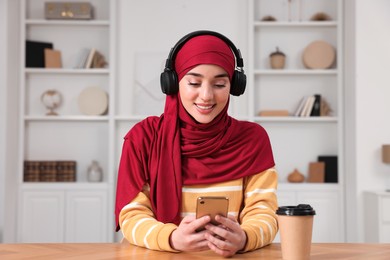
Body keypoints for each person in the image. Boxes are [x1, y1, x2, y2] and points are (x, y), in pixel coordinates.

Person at [115, 30, 278, 257]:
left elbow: (264, 213)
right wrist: (171, 239)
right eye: (194, 82)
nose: (206, 96)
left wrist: (245, 238)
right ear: (173, 84)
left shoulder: (252, 139)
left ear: (234, 86)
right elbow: (131, 215)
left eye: (220, 85)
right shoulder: (143, 137)